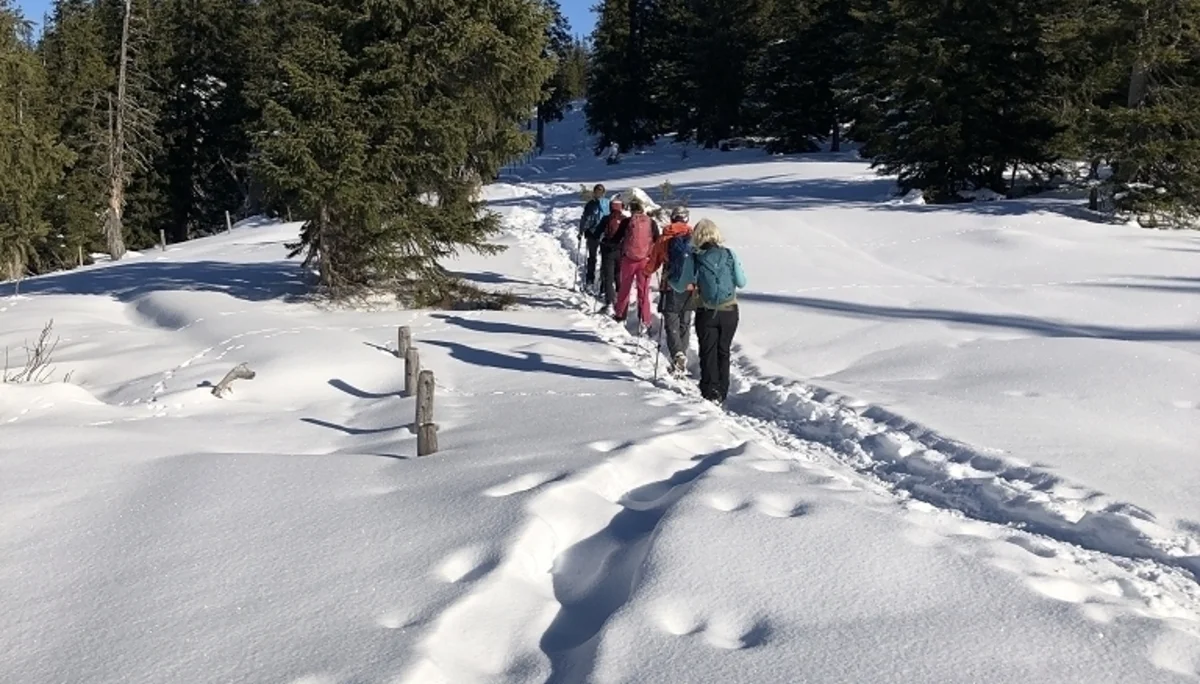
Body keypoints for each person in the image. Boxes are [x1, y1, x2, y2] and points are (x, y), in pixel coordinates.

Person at [674, 218, 746, 404]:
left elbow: (681, 286)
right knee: (724, 350)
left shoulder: (694, 257)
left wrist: (670, 280)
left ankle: (710, 390)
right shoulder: (729, 254)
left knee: (708, 351)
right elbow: (742, 282)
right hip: (730, 311)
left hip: (706, 311)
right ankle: (722, 390)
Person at [643, 206, 695, 376]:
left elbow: (654, 262)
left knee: (671, 320)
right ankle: (682, 355)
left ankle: (678, 355)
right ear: (686, 219)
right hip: (690, 286)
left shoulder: (665, 237)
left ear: (672, 218)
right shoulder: (694, 237)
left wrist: (646, 272)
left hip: (670, 285)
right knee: (685, 323)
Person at [611, 199, 660, 329]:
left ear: (631, 210)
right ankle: (645, 320)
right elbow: (657, 240)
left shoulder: (627, 222)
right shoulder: (651, 222)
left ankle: (620, 315)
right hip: (645, 261)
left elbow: (616, 239)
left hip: (628, 260)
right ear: (642, 209)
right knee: (643, 291)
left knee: (624, 289)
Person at [577, 184, 610, 291]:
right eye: (597, 191)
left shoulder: (607, 203)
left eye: (600, 191)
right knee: (592, 258)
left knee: (604, 260)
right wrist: (581, 231)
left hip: (603, 235)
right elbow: (584, 218)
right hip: (593, 234)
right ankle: (590, 281)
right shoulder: (591, 204)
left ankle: (602, 284)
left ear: (604, 193)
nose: (598, 193)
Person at [597, 197, 626, 312]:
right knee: (618, 275)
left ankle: (609, 302)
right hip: (621, 251)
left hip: (608, 250)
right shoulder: (625, 220)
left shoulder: (606, 218)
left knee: (608, 277)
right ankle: (620, 300)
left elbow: (597, 233)